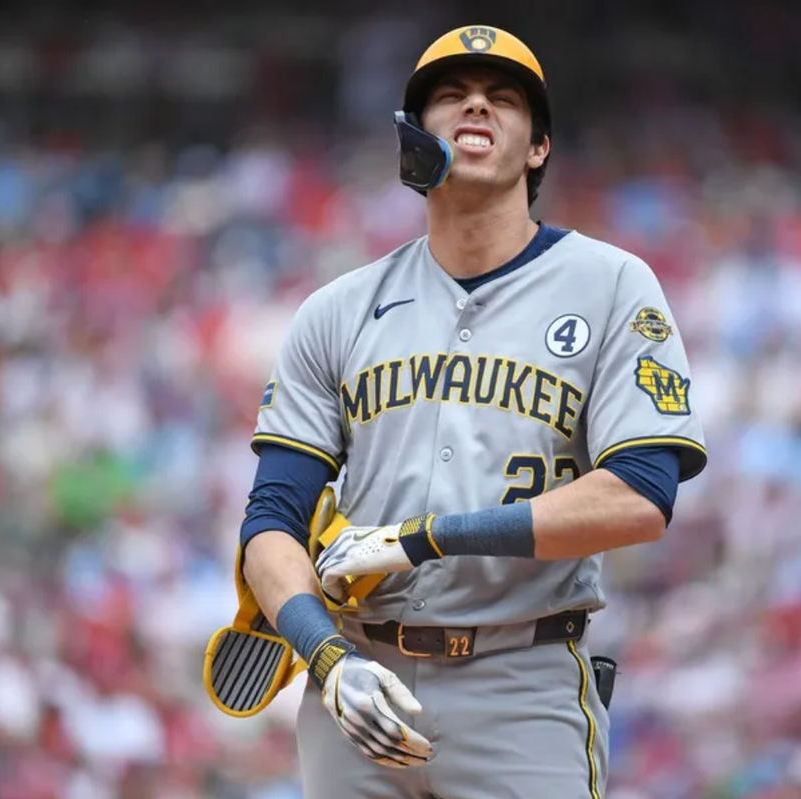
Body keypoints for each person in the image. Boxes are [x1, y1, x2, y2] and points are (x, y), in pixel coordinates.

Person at [238, 24, 707, 798]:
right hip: (360, 684)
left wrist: (425, 538)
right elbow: (270, 523)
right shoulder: (338, 310)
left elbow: (641, 494)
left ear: (539, 149)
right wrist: (326, 658)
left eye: (503, 97)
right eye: (450, 96)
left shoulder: (613, 286)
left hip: (521, 681)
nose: (476, 105)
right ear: (413, 141)